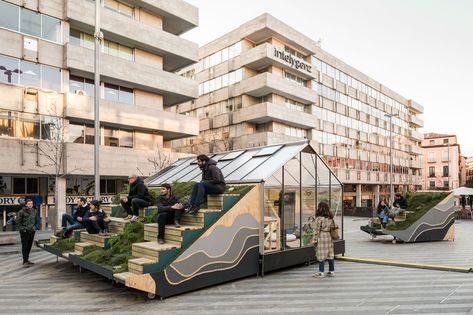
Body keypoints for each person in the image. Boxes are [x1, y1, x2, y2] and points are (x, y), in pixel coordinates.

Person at [311, 202, 335, 278]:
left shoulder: (319, 218)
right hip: (329, 236)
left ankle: (321, 273)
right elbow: (333, 226)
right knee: (330, 254)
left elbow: (316, 229)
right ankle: (331, 271)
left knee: (321, 254)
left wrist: (314, 239)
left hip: (321, 236)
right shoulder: (330, 217)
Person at [17, 199, 37, 267]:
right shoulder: (21, 212)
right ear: (26, 204)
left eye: (31, 203)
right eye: (29, 204)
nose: (30, 205)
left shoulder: (34, 211)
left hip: (32, 231)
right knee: (25, 246)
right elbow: (18, 222)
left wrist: (35, 228)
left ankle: (27, 259)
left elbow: (36, 221)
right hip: (24, 232)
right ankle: (25, 261)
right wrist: (23, 229)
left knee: (29, 246)